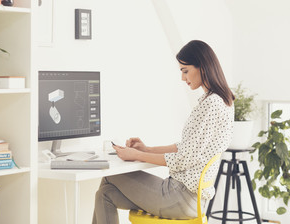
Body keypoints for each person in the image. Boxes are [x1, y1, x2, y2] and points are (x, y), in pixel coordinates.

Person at [92, 40, 235, 224]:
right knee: (104, 194)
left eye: (185, 71)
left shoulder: (211, 104)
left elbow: (184, 158)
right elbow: (186, 148)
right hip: (192, 199)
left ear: (203, 66)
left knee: (110, 175)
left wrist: (136, 154)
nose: (183, 78)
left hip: (181, 197)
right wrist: (147, 149)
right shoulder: (222, 100)